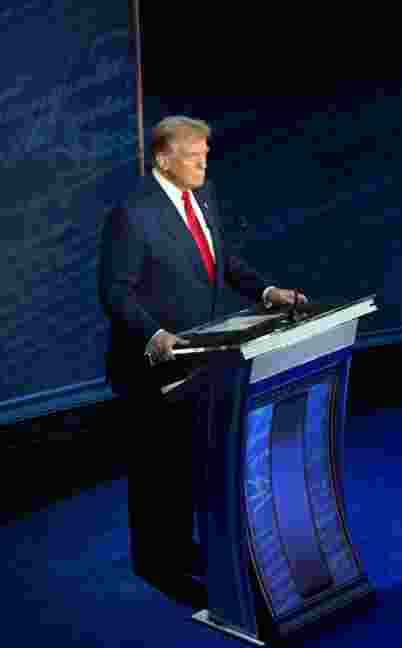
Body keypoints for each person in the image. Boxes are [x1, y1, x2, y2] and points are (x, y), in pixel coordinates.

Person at [98, 116, 305, 600]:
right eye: (194, 157)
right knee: (157, 471)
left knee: (187, 463)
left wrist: (266, 291)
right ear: (163, 159)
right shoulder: (133, 214)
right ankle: (157, 564)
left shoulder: (204, 196)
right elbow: (115, 291)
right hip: (152, 367)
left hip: (202, 360)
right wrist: (153, 334)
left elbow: (221, 259)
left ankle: (181, 548)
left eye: (205, 155)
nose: (203, 164)